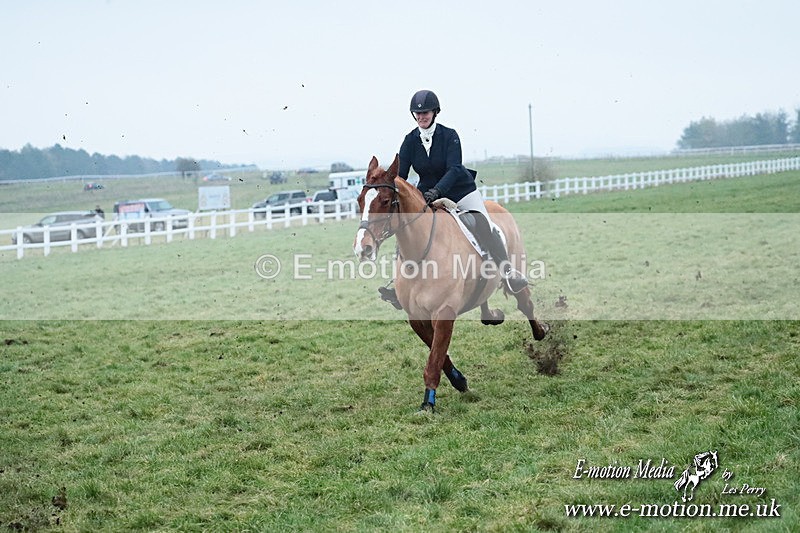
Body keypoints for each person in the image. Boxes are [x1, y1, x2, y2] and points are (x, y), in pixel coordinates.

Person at [379, 89, 528, 308]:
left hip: (460, 191)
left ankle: (507, 271)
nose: (421, 117)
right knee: (407, 229)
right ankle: (399, 283)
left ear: (435, 112)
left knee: (483, 223)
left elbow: (455, 168)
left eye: (425, 112)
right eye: (417, 114)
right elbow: (400, 175)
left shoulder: (450, 135)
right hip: (427, 195)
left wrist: (438, 191)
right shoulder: (410, 140)